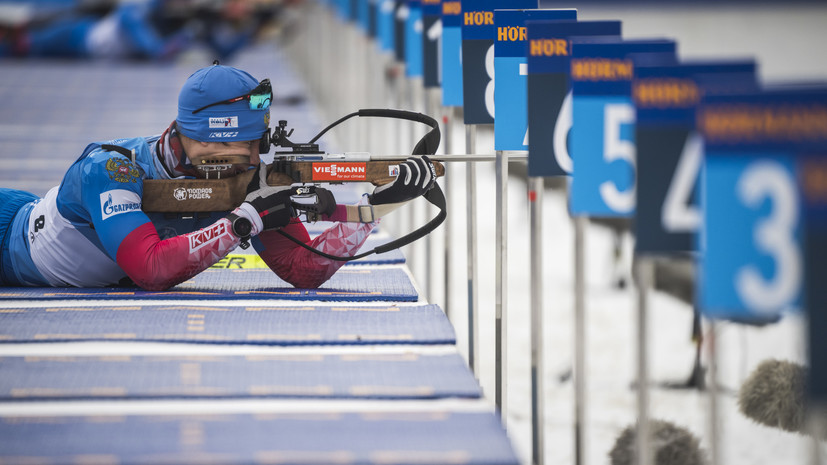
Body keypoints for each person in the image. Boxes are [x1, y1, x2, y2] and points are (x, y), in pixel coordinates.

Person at [0, 63, 436, 290]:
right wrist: (241, 223)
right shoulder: (112, 168)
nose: (246, 159)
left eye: (254, 145)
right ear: (189, 136)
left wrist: (376, 205)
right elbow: (149, 269)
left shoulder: (244, 180)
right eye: (231, 147)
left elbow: (303, 270)